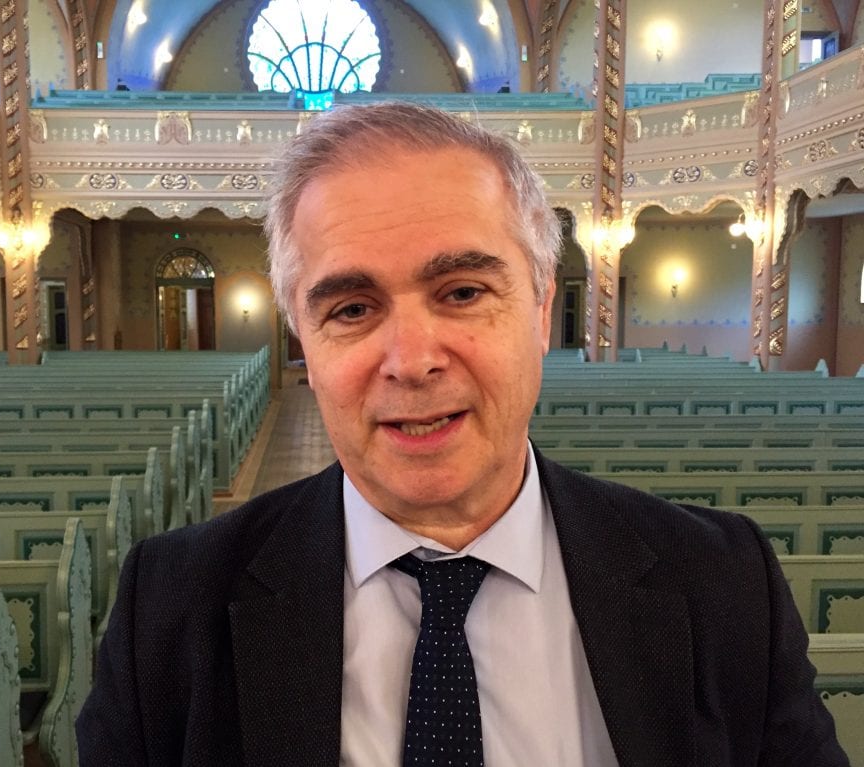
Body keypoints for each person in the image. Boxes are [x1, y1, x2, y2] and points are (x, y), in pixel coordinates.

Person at [76, 102, 848, 766]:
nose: (412, 361)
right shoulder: (170, 607)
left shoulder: (721, 582)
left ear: (539, 313)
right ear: (304, 342)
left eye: (463, 292)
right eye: (352, 308)